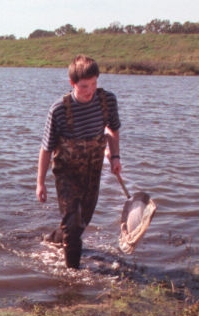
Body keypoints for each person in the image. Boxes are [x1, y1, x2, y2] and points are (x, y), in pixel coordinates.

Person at [36, 55, 122, 269]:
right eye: (84, 86)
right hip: (67, 173)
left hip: (93, 171)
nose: (90, 90)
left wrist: (115, 157)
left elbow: (112, 130)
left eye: (94, 84)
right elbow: (46, 149)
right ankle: (73, 280)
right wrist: (40, 182)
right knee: (73, 226)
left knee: (81, 222)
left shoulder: (107, 101)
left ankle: (53, 240)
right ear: (72, 83)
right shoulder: (58, 110)